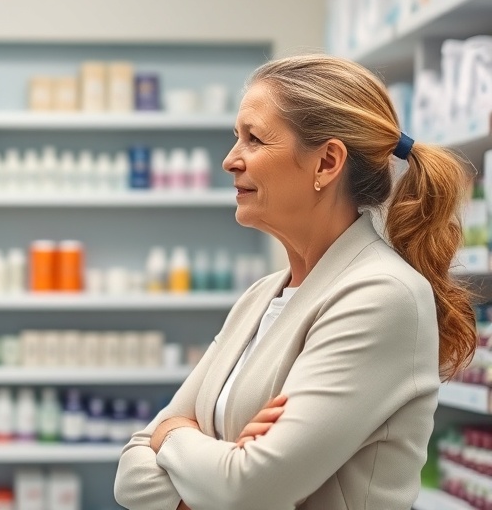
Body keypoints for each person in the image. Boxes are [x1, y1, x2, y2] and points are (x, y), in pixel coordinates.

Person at [114, 54, 476, 510]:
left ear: (326, 162)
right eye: (236, 138)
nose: (230, 160)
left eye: (254, 139)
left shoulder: (383, 295)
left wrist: (172, 435)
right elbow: (130, 473)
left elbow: (248, 488)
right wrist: (221, 469)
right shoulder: (260, 297)